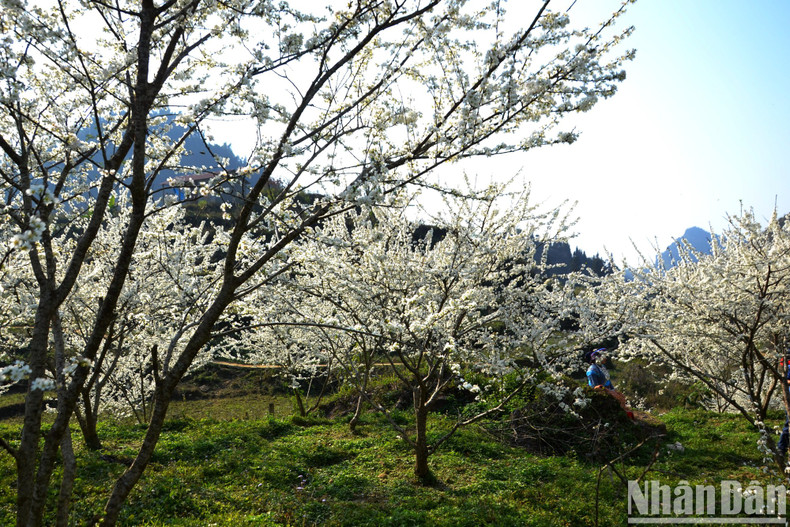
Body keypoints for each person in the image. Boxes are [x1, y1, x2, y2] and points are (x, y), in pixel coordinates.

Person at [586, 348, 633, 419]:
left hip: (608, 388)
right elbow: (594, 387)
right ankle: (621, 414)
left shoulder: (602, 367)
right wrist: (608, 391)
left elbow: (607, 380)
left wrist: (613, 389)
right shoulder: (592, 371)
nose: (605, 359)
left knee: (621, 396)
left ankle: (624, 412)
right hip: (601, 390)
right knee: (617, 398)